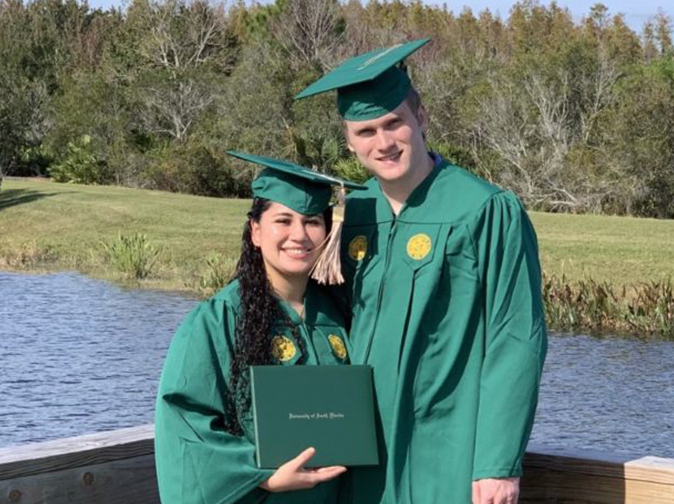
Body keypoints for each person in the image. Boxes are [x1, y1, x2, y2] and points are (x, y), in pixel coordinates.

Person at [296, 39, 548, 504]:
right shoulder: (354, 212)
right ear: (350, 142)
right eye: (366, 131)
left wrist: (498, 463)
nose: (384, 142)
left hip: (450, 448)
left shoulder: (485, 210)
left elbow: (516, 340)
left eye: (394, 123)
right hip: (362, 451)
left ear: (422, 118)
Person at [154, 152, 365, 504]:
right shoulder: (218, 320)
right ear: (255, 231)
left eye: (312, 221)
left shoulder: (338, 314)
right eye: (283, 220)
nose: (299, 235)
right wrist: (262, 474)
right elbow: (185, 423)